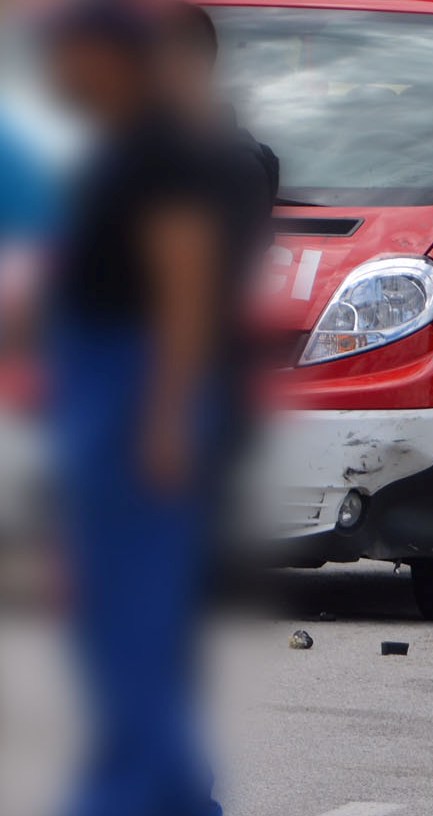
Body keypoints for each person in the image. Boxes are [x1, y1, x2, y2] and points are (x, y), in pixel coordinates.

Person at [43, 3, 276, 814]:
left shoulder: (180, 153)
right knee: (125, 628)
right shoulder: (135, 146)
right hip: (109, 391)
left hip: (136, 399)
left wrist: (166, 420)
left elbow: (183, 293)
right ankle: (176, 795)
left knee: (130, 630)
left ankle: (123, 797)